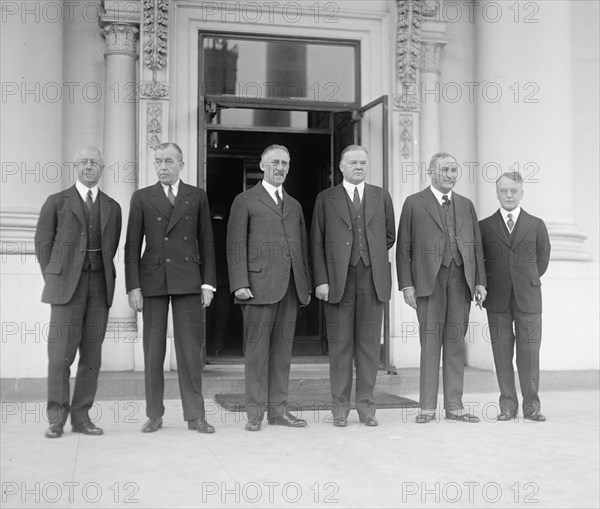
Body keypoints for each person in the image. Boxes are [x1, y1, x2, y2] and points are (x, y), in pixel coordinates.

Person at [125, 142, 217, 434]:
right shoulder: (142, 197)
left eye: (168, 161)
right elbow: (131, 247)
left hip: (188, 279)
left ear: (181, 164)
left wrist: (208, 283)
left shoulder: (197, 196)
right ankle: (154, 414)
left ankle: (195, 415)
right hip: (152, 280)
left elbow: (207, 243)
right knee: (153, 351)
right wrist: (133, 288)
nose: (162, 167)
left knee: (190, 351)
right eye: (158, 161)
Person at [35, 145, 122, 438]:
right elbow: (43, 244)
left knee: (92, 357)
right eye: (84, 162)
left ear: (102, 168)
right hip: (66, 289)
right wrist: (57, 276)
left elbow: (112, 247)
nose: (89, 167)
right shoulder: (56, 202)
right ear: (76, 167)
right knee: (60, 356)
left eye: (94, 163)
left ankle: (82, 417)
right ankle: (57, 419)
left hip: (99, 287)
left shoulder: (112, 207)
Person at [226, 144, 311, 431]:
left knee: (282, 354)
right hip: (257, 287)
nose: (281, 168)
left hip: (288, 288)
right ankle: (254, 414)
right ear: (262, 165)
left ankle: (279, 411)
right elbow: (235, 245)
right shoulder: (245, 200)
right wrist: (239, 283)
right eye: (274, 162)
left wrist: (304, 285)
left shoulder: (295, 204)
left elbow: (301, 247)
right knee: (257, 354)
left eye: (285, 163)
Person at [397, 152, 487, 423]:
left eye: (454, 170)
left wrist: (480, 280)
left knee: (456, 343)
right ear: (431, 172)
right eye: (445, 170)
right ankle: (426, 407)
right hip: (428, 282)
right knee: (430, 343)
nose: (451, 175)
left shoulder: (466, 204)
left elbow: (476, 245)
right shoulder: (414, 203)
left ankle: (454, 406)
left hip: (461, 280)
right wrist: (407, 285)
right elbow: (404, 248)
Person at [311, 145, 395, 427]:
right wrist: (321, 279)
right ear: (341, 167)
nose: (359, 166)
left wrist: (369, 255)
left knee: (370, 347)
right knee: (340, 347)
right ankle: (340, 408)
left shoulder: (380, 196)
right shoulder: (326, 198)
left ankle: (367, 408)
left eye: (363, 162)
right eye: (353, 162)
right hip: (338, 281)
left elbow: (388, 235)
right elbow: (316, 242)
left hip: (372, 280)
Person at [480, 172, 551, 422]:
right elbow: (481, 261)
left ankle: (531, 405)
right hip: (497, 299)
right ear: (497, 193)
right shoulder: (485, 226)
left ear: (521, 193)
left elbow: (542, 259)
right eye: (503, 191)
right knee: (501, 353)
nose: (508, 195)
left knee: (530, 352)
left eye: (513, 191)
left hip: (528, 298)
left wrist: (524, 279)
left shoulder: (536, 224)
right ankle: (507, 405)